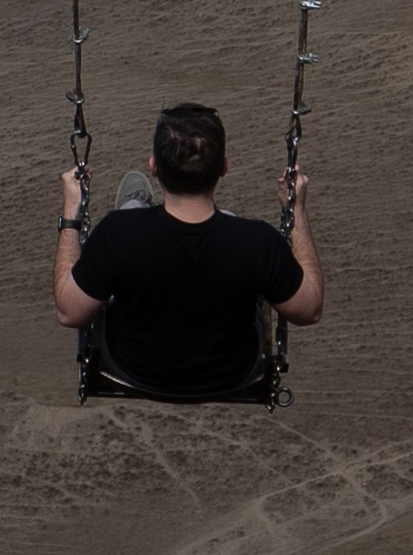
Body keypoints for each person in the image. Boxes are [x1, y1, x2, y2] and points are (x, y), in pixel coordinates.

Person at [52, 98, 322, 399]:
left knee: (128, 230)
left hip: (133, 368)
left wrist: (71, 215)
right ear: (224, 168)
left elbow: (69, 313)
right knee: (234, 236)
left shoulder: (116, 233)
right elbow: (308, 310)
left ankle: (136, 207)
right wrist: (296, 209)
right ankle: (210, 225)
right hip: (231, 371)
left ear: (153, 166)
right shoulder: (258, 241)